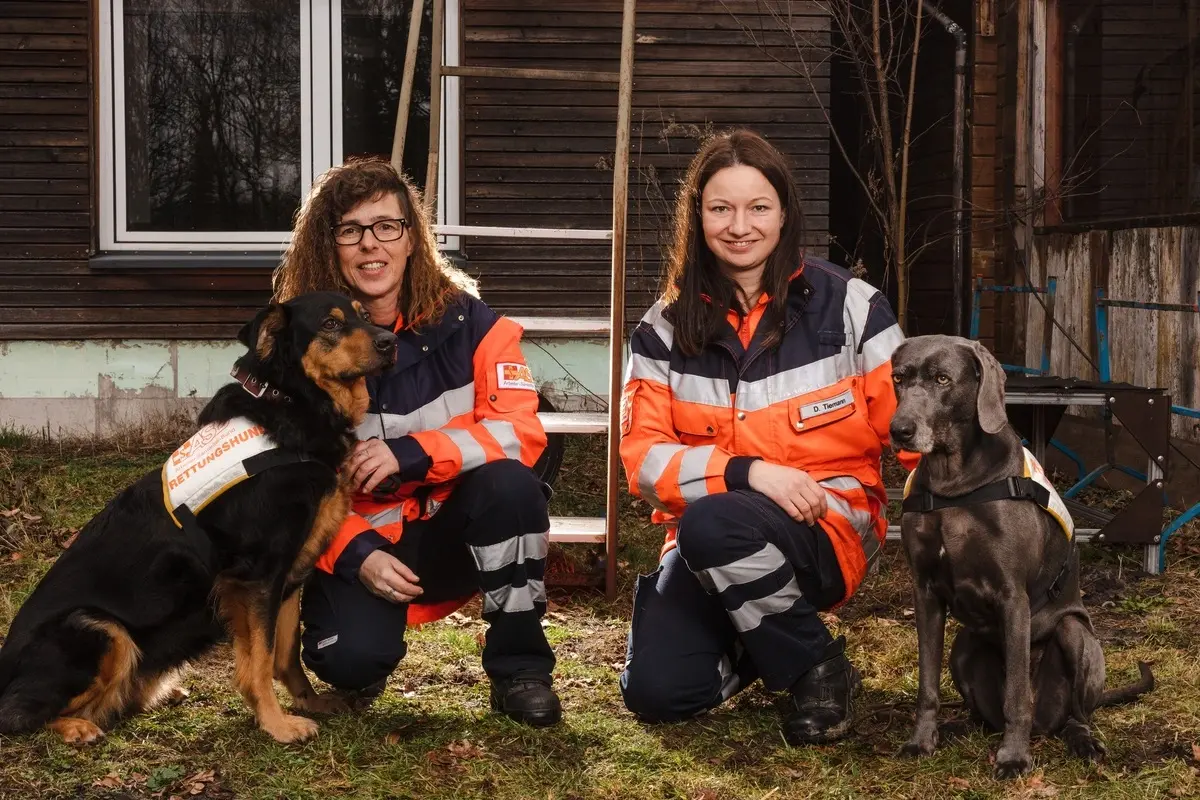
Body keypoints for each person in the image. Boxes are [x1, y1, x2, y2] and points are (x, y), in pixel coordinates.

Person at [617, 129, 917, 744]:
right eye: (720, 208)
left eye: (758, 207)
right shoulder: (662, 329)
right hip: (707, 543)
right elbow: (643, 462)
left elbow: (916, 430)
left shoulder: (852, 309)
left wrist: (1000, 493)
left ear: (784, 212)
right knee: (659, 693)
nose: (739, 226)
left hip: (828, 527)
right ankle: (779, 638)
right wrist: (748, 473)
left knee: (713, 522)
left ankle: (817, 670)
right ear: (697, 216)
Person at [271, 156, 561, 727]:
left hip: (456, 532)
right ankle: (365, 643)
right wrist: (357, 555)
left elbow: (521, 431)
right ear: (329, 247)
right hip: (363, 545)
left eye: (386, 226)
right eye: (350, 230)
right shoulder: (298, 345)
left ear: (412, 239)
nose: (369, 245)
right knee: (349, 661)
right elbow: (287, 485)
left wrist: (414, 452)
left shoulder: (474, 324)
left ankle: (521, 667)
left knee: (513, 485)